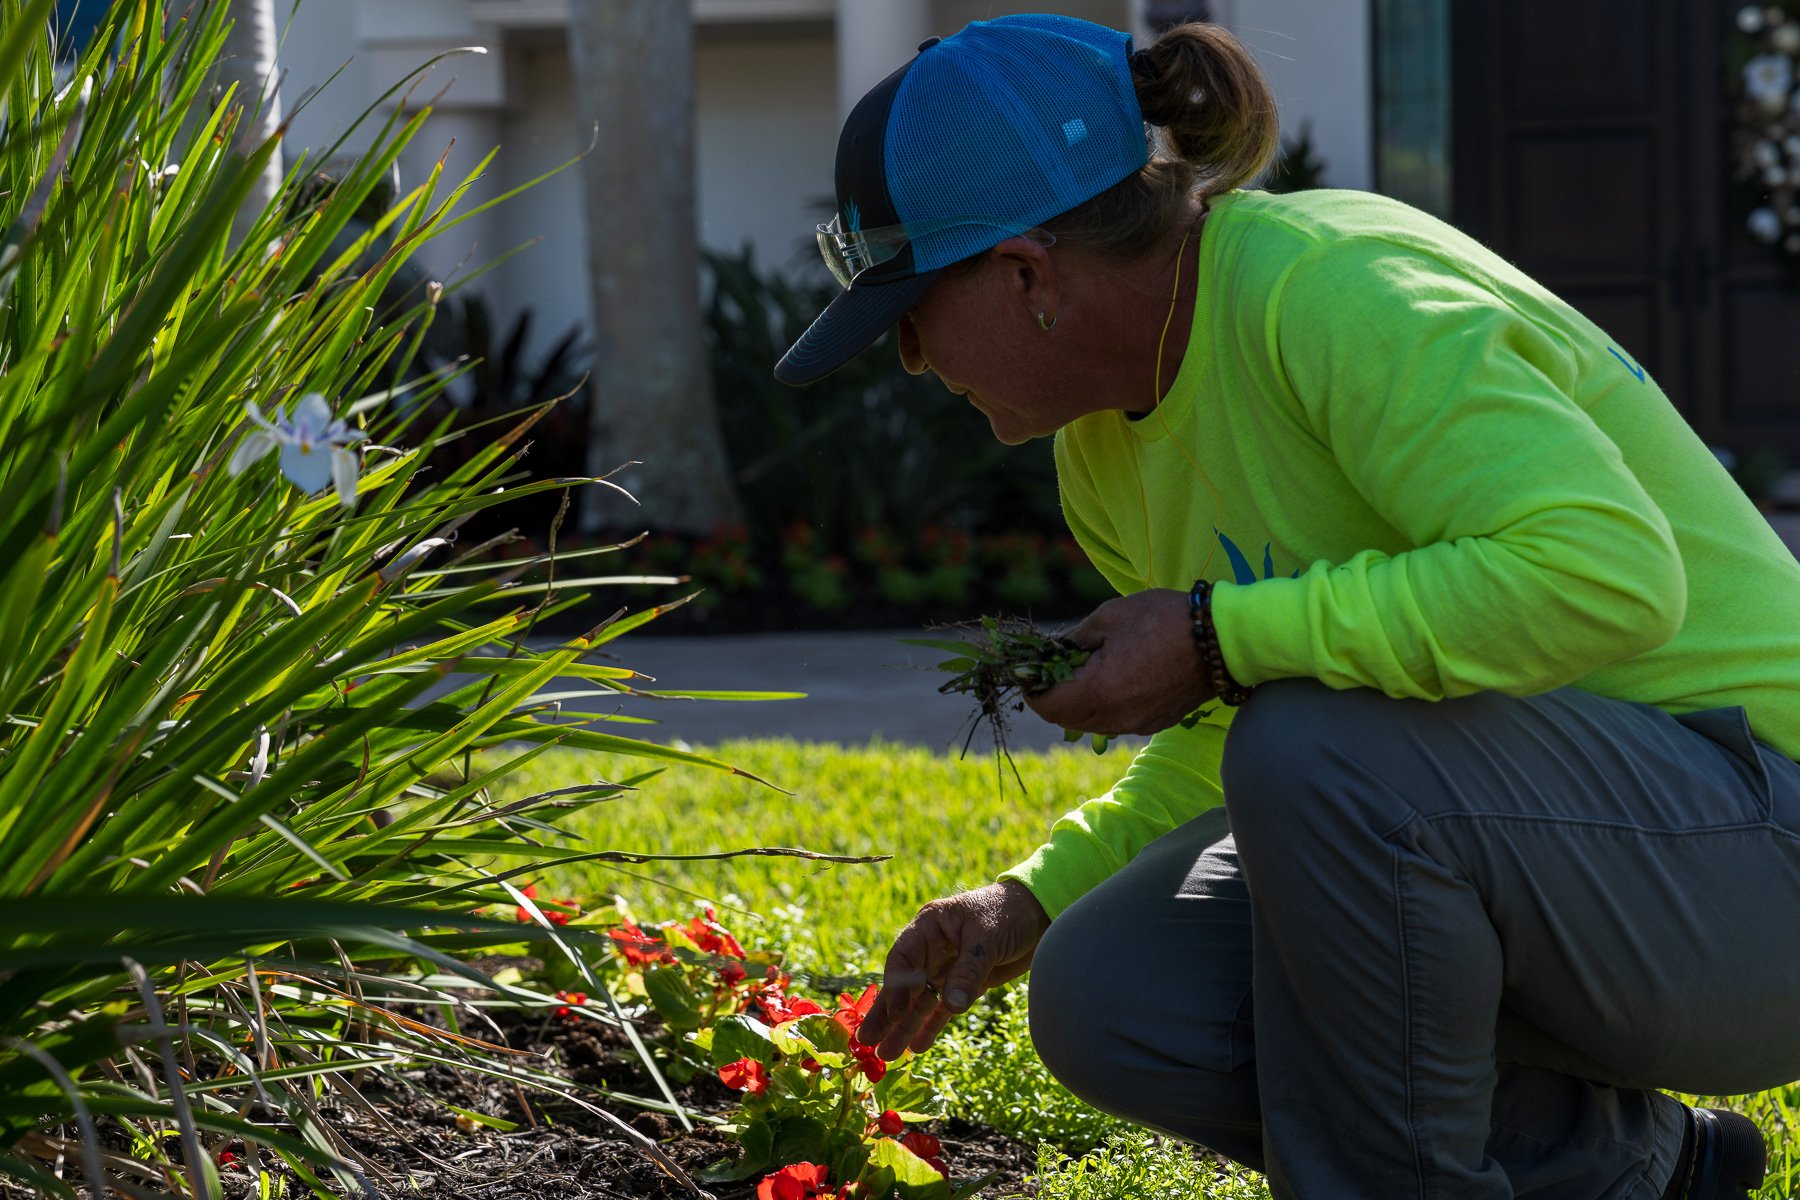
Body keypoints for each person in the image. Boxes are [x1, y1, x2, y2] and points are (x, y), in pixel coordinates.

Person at [775, 13, 1800, 1200]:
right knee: (1113, 988)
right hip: (1584, 886)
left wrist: (1217, 635)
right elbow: (1234, 733)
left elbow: (1606, 573)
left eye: (907, 308)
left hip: (1760, 854)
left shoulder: (1334, 288)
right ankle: (1641, 1169)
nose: (904, 356)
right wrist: (1036, 895)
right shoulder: (1099, 454)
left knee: (1317, 742)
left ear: (1025, 271)